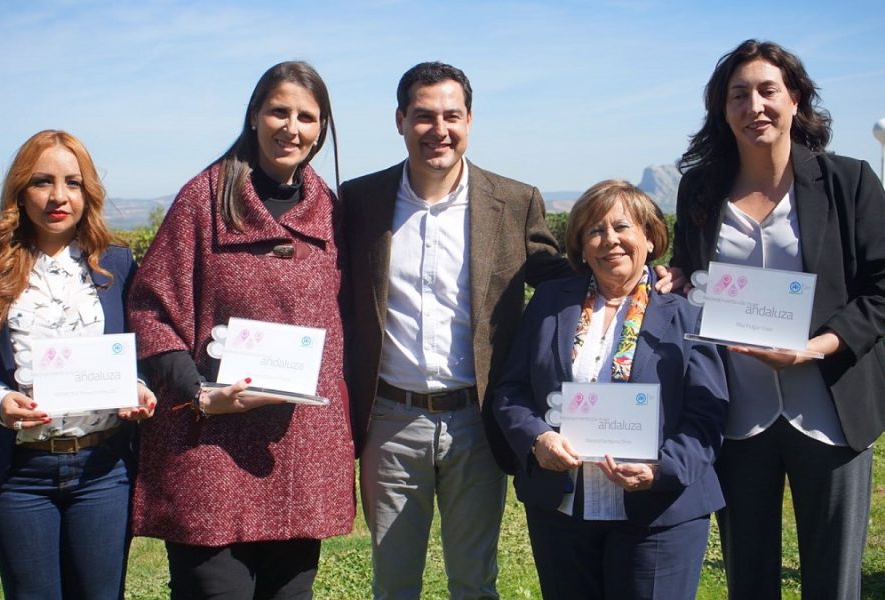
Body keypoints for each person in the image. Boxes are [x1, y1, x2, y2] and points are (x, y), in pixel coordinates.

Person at [341, 61, 573, 599]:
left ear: (470, 120)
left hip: (477, 420)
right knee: (394, 582)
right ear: (399, 120)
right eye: (423, 116)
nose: (438, 129)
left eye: (451, 115)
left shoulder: (514, 202)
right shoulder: (359, 201)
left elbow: (560, 281)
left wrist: (642, 277)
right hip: (390, 423)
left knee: (474, 581)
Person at [126, 61, 353, 599]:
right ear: (254, 116)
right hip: (211, 453)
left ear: (321, 128)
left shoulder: (332, 213)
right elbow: (150, 308)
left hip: (299, 455)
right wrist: (197, 391)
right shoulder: (202, 201)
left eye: (306, 117)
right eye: (278, 111)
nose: (290, 128)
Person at [669, 39, 885, 599]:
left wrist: (816, 348)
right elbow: (690, 273)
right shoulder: (701, 188)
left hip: (831, 409)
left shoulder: (850, 181)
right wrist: (674, 279)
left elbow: (883, 288)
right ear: (723, 109)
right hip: (735, 412)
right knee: (749, 575)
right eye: (738, 95)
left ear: (795, 100)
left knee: (834, 580)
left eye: (768, 90)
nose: (754, 106)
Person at [491, 180, 728, 600]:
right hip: (563, 512)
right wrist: (536, 438)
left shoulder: (687, 314)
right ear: (581, 247)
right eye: (595, 231)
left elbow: (707, 414)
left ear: (651, 239)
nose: (610, 241)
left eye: (623, 227)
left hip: (660, 513)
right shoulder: (550, 303)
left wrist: (661, 469)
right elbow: (511, 390)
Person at [0, 130, 155, 600]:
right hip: (17, 476)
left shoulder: (115, 263)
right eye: (43, 181)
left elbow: (139, 352)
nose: (58, 196)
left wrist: (137, 386)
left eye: (73, 183)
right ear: (20, 190)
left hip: (103, 471)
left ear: (88, 192)